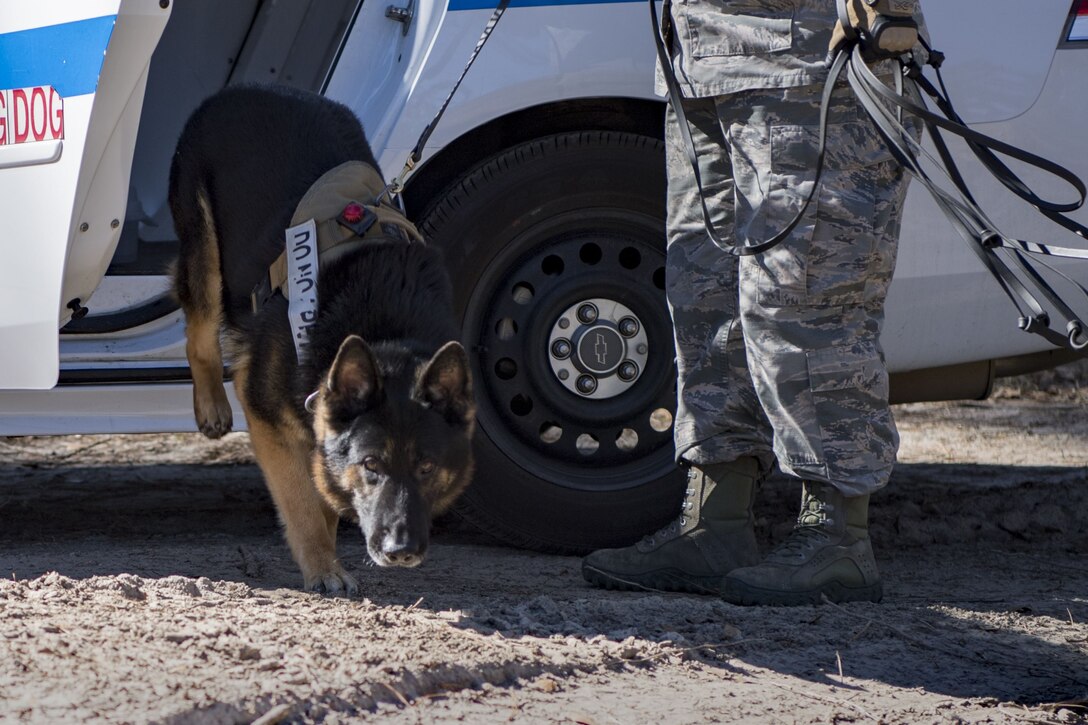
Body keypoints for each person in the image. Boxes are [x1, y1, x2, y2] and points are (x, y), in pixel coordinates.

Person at [582, 0, 925, 606]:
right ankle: (717, 523)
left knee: (807, 305)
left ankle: (837, 537)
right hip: (701, 60)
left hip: (811, 57)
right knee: (706, 302)